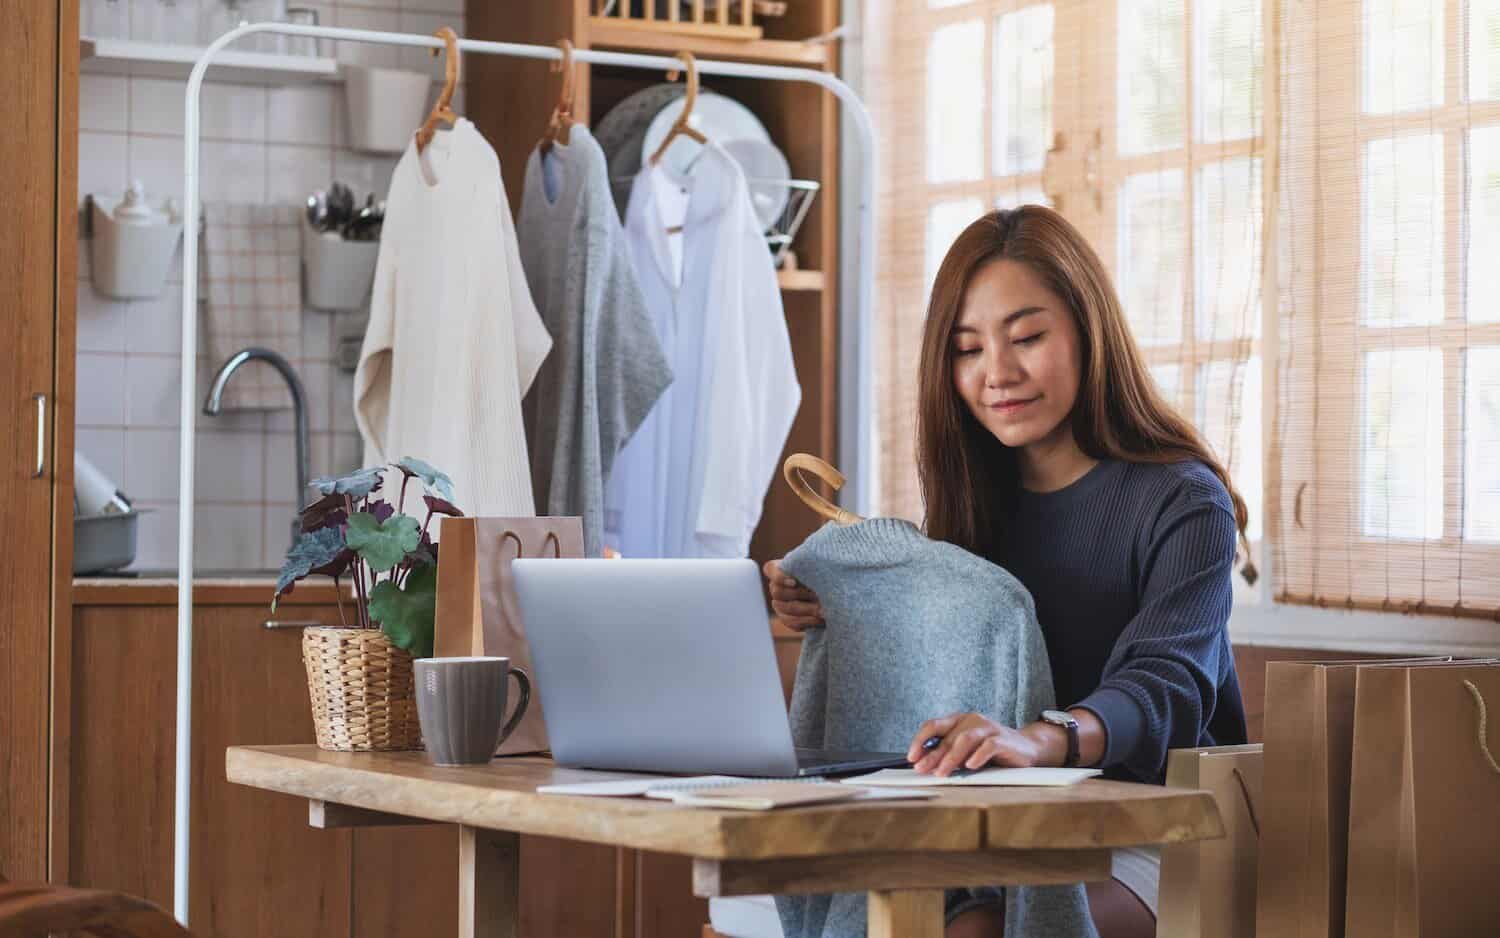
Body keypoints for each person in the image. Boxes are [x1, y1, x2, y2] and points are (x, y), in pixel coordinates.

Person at [764, 206, 1249, 938]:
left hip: (1153, 833)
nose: (998, 373)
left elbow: (1163, 685)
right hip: (991, 828)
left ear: (1089, 330)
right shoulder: (971, 507)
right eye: (967, 349)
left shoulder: (1184, 501)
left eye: (1027, 337)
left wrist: (1041, 737)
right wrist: (836, 607)